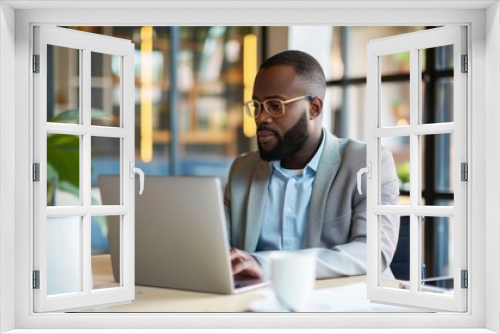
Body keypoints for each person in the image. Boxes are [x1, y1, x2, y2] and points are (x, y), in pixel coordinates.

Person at [225, 50, 400, 280]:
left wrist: (266, 265)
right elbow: (217, 251)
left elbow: (372, 252)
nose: (261, 118)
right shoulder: (242, 169)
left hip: (343, 307)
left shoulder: (367, 163)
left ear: (314, 108)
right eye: (257, 106)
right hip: (259, 304)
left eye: (275, 105)